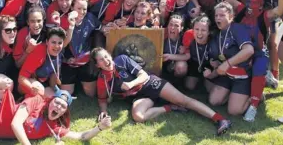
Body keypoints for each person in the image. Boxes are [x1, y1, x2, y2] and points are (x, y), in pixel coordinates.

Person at [91, 47, 231, 136]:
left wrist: (130, 84)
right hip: (139, 97)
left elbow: (144, 75)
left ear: (109, 54)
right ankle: (170, 107)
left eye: (106, 56)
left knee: (184, 100)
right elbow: (102, 99)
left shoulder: (121, 60)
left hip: (151, 83)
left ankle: (220, 119)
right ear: (98, 65)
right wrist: (103, 111)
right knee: (138, 117)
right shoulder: (102, 79)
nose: (105, 60)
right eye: (101, 60)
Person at [0, 87, 112, 144]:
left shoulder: (54, 128)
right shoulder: (37, 101)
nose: (58, 107)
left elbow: (81, 136)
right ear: (51, 100)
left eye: (63, 107)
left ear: (64, 112)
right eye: (57, 102)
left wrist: (99, 127)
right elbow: (16, 123)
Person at [208, 2, 254, 116]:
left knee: (234, 111)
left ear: (231, 17)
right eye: (216, 15)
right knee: (213, 101)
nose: (218, 18)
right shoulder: (218, 35)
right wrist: (216, 64)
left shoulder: (237, 29)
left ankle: (255, 97)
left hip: (242, 76)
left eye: (222, 15)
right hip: (228, 75)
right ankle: (234, 95)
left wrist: (227, 64)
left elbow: (249, 50)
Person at [18, 26, 74, 98]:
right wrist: (32, 88)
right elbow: (21, 78)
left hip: (43, 83)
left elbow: (68, 38)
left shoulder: (59, 51)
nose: (57, 46)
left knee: (55, 98)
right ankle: (27, 97)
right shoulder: (39, 53)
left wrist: (72, 25)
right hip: (27, 82)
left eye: (60, 43)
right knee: (40, 90)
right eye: (53, 42)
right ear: (47, 42)